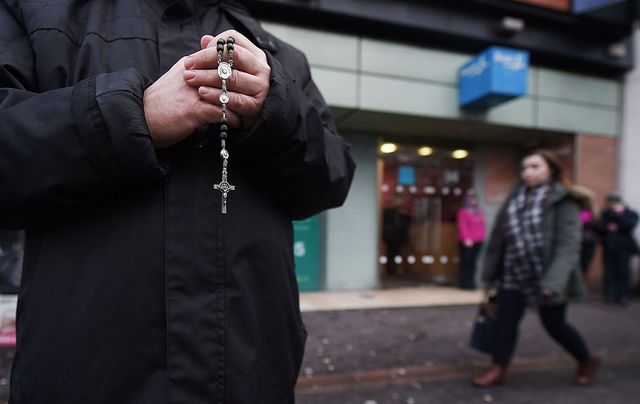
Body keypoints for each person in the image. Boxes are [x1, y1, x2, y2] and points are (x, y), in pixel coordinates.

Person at [0, 1, 356, 403]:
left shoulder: (277, 55)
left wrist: (275, 110)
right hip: (87, 381)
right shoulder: (38, 13)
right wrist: (133, 115)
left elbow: (333, 177)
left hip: (255, 379)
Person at [473, 149, 600, 387]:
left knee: (555, 325)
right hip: (513, 272)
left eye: (534, 167)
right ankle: (498, 367)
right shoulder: (515, 196)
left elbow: (567, 245)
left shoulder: (565, 200)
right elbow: (499, 238)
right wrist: (490, 274)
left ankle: (586, 359)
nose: (527, 172)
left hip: (547, 274)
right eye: (524, 167)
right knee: (505, 322)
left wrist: (553, 282)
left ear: (550, 170)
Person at [597, 193, 639, 306]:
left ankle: (623, 295)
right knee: (609, 271)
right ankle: (610, 294)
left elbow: (630, 224)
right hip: (609, 246)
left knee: (623, 271)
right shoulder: (605, 213)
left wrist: (618, 216)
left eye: (614, 203)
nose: (612, 206)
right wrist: (608, 226)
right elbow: (599, 227)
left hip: (624, 247)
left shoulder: (630, 213)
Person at [456, 192, 486, 289]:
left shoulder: (479, 211)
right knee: (466, 263)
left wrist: (482, 237)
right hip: (467, 241)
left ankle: (472, 283)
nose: (474, 201)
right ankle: (464, 283)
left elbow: (482, 225)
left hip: (478, 241)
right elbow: (462, 226)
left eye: (475, 199)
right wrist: (466, 239)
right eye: (472, 199)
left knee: (473, 263)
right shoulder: (463, 211)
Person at [382, 195, 411, 275]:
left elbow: (407, 223)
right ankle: (390, 270)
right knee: (390, 253)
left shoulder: (403, 213)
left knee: (399, 253)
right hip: (391, 236)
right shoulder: (388, 212)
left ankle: (399, 269)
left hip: (400, 236)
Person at [573, 185, 598, 276]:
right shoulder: (576, 209)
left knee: (583, 266)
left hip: (588, 241)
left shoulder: (591, 210)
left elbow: (597, 226)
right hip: (577, 240)